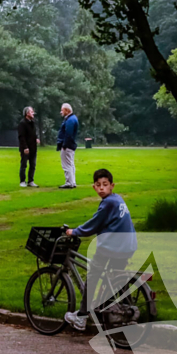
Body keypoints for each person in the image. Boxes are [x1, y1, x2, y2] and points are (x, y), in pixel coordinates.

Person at [63, 169, 137, 331]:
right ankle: (125, 311)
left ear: (112, 186)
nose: (101, 188)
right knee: (117, 278)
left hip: (113, 246)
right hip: (128, 245)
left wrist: (74, 232)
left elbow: (94, 224)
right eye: (98, 185)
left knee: (93, 276)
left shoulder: (108, 203)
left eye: (105, 184)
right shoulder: (117, 199)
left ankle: (82, 317)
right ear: (94, 187)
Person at [57, 102, 79, 189]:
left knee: (66, 165)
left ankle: (69, 183)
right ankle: (72, 182)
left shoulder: (70, 120)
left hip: (67, 145)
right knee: (70, 164)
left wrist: (64, 145)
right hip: (70, 145)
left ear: (66, 110)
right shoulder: (73, 118)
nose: (61, 112)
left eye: (62, 110)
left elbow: (68, 134)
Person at [17, 106, 41, 188]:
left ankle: (31, 181)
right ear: (27, 113)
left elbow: (34, 133)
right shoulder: (22, 123)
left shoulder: (33, 122)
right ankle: (22, 181)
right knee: (24, 165)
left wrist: (36, 138)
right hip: (26, 148)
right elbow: (21, 137)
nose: (33, 113)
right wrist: (25, 147)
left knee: (33, 165)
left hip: (33, 147)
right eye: (31, 111)